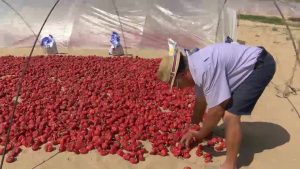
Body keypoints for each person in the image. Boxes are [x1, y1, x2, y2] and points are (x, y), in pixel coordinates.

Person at [156, 42, 276, 169]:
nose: (177, 88)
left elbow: (218, 109)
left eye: (175, 84)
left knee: (230, 115)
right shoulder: (193, 66)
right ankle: (211, 132)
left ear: (182, 75)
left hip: (260, 66)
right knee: (224, 108)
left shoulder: (204, 69)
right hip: (247, 64)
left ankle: (230, 164)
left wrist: (200, 134)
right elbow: (201, 101)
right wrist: (194, 126)